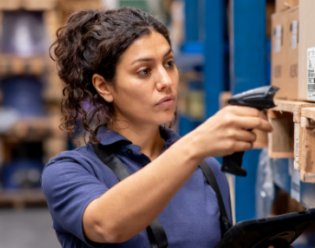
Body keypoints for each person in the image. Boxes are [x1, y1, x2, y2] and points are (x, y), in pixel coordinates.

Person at [43, 7, 277, 248]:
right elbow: (106, 226)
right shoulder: (69, 172)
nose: (166, 81)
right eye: (144, 71)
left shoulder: (207, 170)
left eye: (169, 63)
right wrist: (194, 146)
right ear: (104, 86)